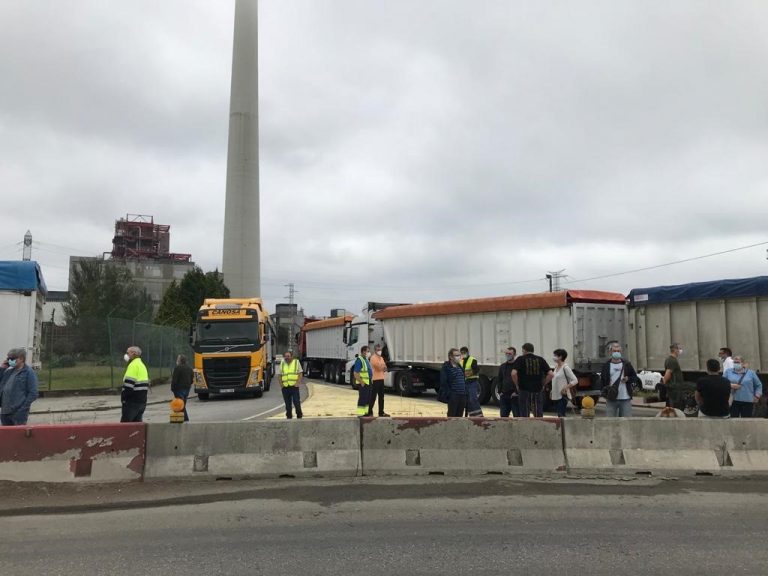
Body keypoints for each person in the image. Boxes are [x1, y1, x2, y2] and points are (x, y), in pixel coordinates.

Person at [511, 343, 553, 418]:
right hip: (537, 389)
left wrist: (517, 384)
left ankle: (526, 427)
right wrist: (543, 383)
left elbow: (513, 373)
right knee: (538, 412)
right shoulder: (540, 359)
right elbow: (551, 374)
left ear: (524, 350)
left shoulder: (520, 359)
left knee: (524, 411)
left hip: (524, 389)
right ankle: (539, 426)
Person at [599, 342, 640, 417]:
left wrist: (628, 378)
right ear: (610, 352)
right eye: (614, 351)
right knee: (610, 422)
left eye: (618, 351)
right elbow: (602, 381)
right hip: (611, 398)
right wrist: (604, 392)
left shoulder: (627, 364)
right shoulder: (606, 366)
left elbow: (635, 377)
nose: (616, 353)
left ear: (621, 352)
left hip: (625, 398)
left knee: (626, 422)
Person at [0, 348, 38, 426]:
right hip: (5, 412)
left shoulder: (28, 372)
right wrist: (2, 368)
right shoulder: (8, 371)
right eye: (8, 358)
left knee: (17, 437)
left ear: (21, 358)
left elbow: (33, 393)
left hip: (17, 413)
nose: (10, 360)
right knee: (7, 437)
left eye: (12, 358)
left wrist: (22, 410)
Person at [121, 346, 149, 423]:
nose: (126, 355)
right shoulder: (142, 365)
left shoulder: (133, 365)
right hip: (142, 401)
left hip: (132, 402)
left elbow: (128, 385)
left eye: (127, 353)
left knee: (125, 426)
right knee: (137, 427)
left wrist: (124, 399)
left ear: (133, 354)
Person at [550, 349, 578, 418]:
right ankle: (562, 428)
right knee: (559, 415)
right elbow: (554, 380)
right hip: (556, 395)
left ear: (560, 357)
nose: (554, 357)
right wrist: (552, 390)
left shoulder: (566, 368)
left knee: (561, 415)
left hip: (562, 395)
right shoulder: (556, 367)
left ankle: (564, 428)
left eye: (555, 355)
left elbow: (575, 380)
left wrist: (566, 387)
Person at [440, 348, 467, 417]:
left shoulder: (460, 367)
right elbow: (443, 382)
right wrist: (449, 394)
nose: (458, 357)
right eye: (456, 355)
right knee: (452, 415)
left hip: (462, 395)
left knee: (459, 416)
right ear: (451, 357)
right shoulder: (447, 367)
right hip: (454, 395)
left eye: (459, 355)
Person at [279, 350, 303, 419]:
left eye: (288, 356)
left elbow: (300, 373)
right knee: (287, 405)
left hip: (294, 387)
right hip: (285, 387)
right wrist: (281, 385)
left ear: (292, 356)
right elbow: (279, 375)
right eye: (285, 356)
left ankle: (299, 416)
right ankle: (289, 417)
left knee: (296, 402)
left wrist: (297, 383)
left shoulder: (296, 362)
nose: (287, 358)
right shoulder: (282, 363)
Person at [367, 344, 389, 417]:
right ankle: (370, 411)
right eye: (378, 350)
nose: (379, 351)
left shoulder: (381, 358)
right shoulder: (373, 358)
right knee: (373, 396)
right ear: (375, 350)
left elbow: (385, 367)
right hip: (375, 379)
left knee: (381, 397)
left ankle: (381, 412)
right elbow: (379, 368)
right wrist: (382, 367)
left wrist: (383, 367)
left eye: (380, 349)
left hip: (381, 379)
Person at [460, 346, 483, 417]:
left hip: (472, 382)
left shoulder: (472, 359)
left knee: (473, 399)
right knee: (466, 401)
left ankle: (479, 416)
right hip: (464, 383)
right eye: (462, 353)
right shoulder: (461, 361)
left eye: (464, 353)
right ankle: (470, 415)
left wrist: (468, 373)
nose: (463, 354)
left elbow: (476, 370)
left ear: (467, 352)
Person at [170, 354, 193, 422]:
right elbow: (192, 379)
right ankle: (179, 419)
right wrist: (189, 384)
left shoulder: (178, 368)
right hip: (187, 388)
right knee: (182, 404)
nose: (176, 360)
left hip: (179, 388)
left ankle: (185, 419)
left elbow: (174, 379)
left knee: (180, 405)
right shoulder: (189, 368)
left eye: (178, 359)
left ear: (180, 360)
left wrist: (172, 388)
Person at [497, 347, 519, 418]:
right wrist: (500, 391)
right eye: (506, 353)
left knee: (517, 416)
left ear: (514, 355)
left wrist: (517, 392)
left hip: (515, 396)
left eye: (510, 354)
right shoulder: (503, 366)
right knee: (503, 416)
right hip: (504, 395)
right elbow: (499, 379)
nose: (507, 355)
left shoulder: (518, 366)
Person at [662, 343, 685, 407]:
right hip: (674, 390)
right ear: (675, 350)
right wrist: (664, 384)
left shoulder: (671, 359)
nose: (680, 350)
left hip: (674, 389)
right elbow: (668, 374)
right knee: (675, 408)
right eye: (679, 348)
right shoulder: (671, 360)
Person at [353, 346, 373, 417]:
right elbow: (355, 373)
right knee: (362, 398)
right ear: (363, 351)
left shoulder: (366, 359)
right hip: (363, 383)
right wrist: (361, 382)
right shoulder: (359, 360)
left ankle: (366, 413)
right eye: (368, 351)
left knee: (368, 399)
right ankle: (361, 414)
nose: (369, 353)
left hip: (368, 382)